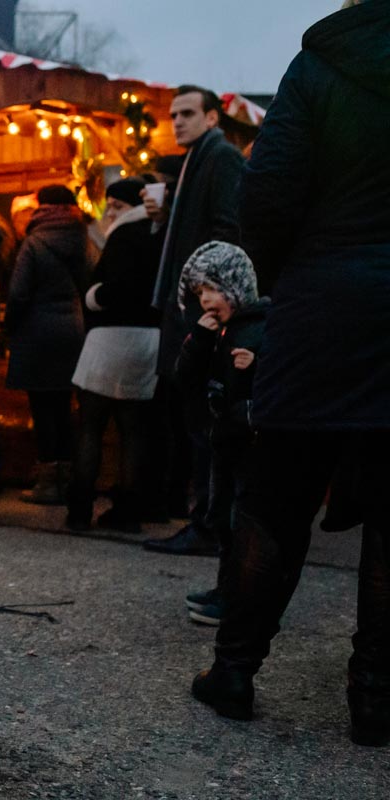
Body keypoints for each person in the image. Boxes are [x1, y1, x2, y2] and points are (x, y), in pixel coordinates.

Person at [192, 0, 390, 748]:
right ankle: (375, 697)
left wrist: (287, 283)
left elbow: (266, 194)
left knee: (275, 499)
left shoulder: (320, 66)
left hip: (321, 306)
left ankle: (235, 672)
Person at [143, 85, 244, 556]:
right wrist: (164, 217)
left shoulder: (219, 158)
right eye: (173, 114)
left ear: (211, 117)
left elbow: (227, 228)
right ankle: (204, 519)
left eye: (187, 113)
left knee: (203, 422)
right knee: (193, 421)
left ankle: (208, 523)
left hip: (194, 311)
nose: (176, 121)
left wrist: (204, 299)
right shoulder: (196, 160)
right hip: (184, 307)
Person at [172, 242, 267, 626]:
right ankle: (226, 589)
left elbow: (277, 381)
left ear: (234, 286)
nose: (205, 299)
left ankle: (240, 600)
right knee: (226, 523)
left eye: (210, 289)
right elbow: (186, 379)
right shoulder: (219, 330)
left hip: (249, 444)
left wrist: (256, 366)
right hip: (226, 441)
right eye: (199, 293)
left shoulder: (260, 326)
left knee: (242, 524)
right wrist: (199, 340)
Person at [65, 177, 162, 532]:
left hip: (110, 337)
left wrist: (92, 295)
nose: (107, 213)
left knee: (90, 426)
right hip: (148, 337)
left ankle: (79, 510)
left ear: (122, 205)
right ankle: (128, 512)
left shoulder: (124, 234)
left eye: (112, 205)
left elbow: (116, 288)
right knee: (133, 431)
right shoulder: (159, 232)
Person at [3, 184, 90, 505]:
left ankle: (47, 484)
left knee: (42, 409)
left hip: (38, 332)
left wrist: (9, 327)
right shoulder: (83, 238)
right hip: (73, 328)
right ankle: (67, 481)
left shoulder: (34, 242)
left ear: (43, 207)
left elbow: (18, 293)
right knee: (65, 407)